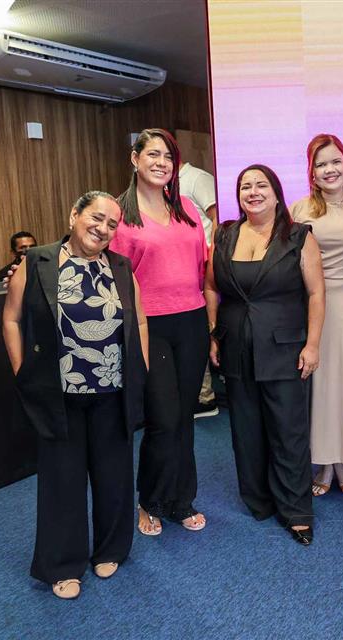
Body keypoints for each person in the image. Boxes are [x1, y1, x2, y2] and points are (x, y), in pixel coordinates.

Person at [2, 191, 148, 599]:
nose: (103, 229)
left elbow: (140, 322)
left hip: (112, 391)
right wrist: (22, 372)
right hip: (58, 394)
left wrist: (141, 371)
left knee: (113, 476)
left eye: (112, 224)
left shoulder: (121, 267)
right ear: (74, 216)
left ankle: (110, 549)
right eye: (96, 218)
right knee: (62, 481)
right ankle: (63, 565)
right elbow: (11, 319)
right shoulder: (38, 262)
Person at [204, 164, 325, 545]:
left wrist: (313, 344)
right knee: (246, 430)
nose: (253, 192)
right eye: (245, 186)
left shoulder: (299, 236)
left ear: (276, 194)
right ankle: (259, 500)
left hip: (285, 348)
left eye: (261, 186)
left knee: (288, 431)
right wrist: (213, 334)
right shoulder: (224, 235)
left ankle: (296, 511)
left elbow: (316, 293)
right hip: (236, 347)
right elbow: (211, 287)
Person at [109, 128, 209, 536]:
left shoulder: (186, 207)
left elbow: (202, 265)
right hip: (149, 326)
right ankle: (150, 500)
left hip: (192, 320)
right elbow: (116, 280)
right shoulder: (121, 215)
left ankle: (182, 499)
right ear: (135, 159)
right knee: (163, 418)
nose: (161, 163)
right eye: (153, 154)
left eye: (168, 156)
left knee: (185, 417)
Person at [290, 133, 343, 496]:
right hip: (309, 304)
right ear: (311, 171)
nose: (330, 169)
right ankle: (323, 463)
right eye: (321, 164)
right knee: (319, 384)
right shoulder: (298, 211)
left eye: (335, 161)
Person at [178, 162, 220, 419]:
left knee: (200, 327)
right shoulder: (162, 187)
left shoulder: (196, 178)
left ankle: (204, 396)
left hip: (203, 267)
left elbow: (217, 217)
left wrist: (212, 256)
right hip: (181, 269)